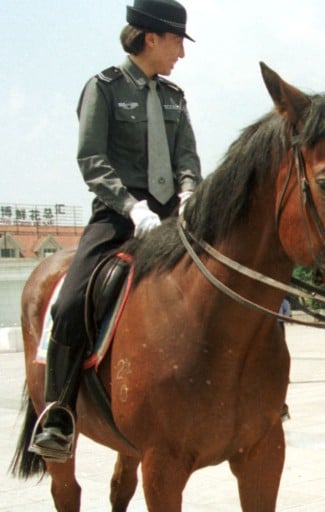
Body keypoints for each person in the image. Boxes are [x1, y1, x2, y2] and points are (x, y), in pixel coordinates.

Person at [30, 0, 200, 462]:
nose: (181, 54)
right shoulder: (103, 89)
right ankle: (60, 413)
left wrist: (188, 195)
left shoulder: (174, 97)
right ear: (152, 38)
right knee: (69, 304)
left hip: (172, 216)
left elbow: (187, 156)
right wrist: (131, 207)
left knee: (224, 274)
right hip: (117, 214)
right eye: (177, 42)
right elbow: (91, 160)